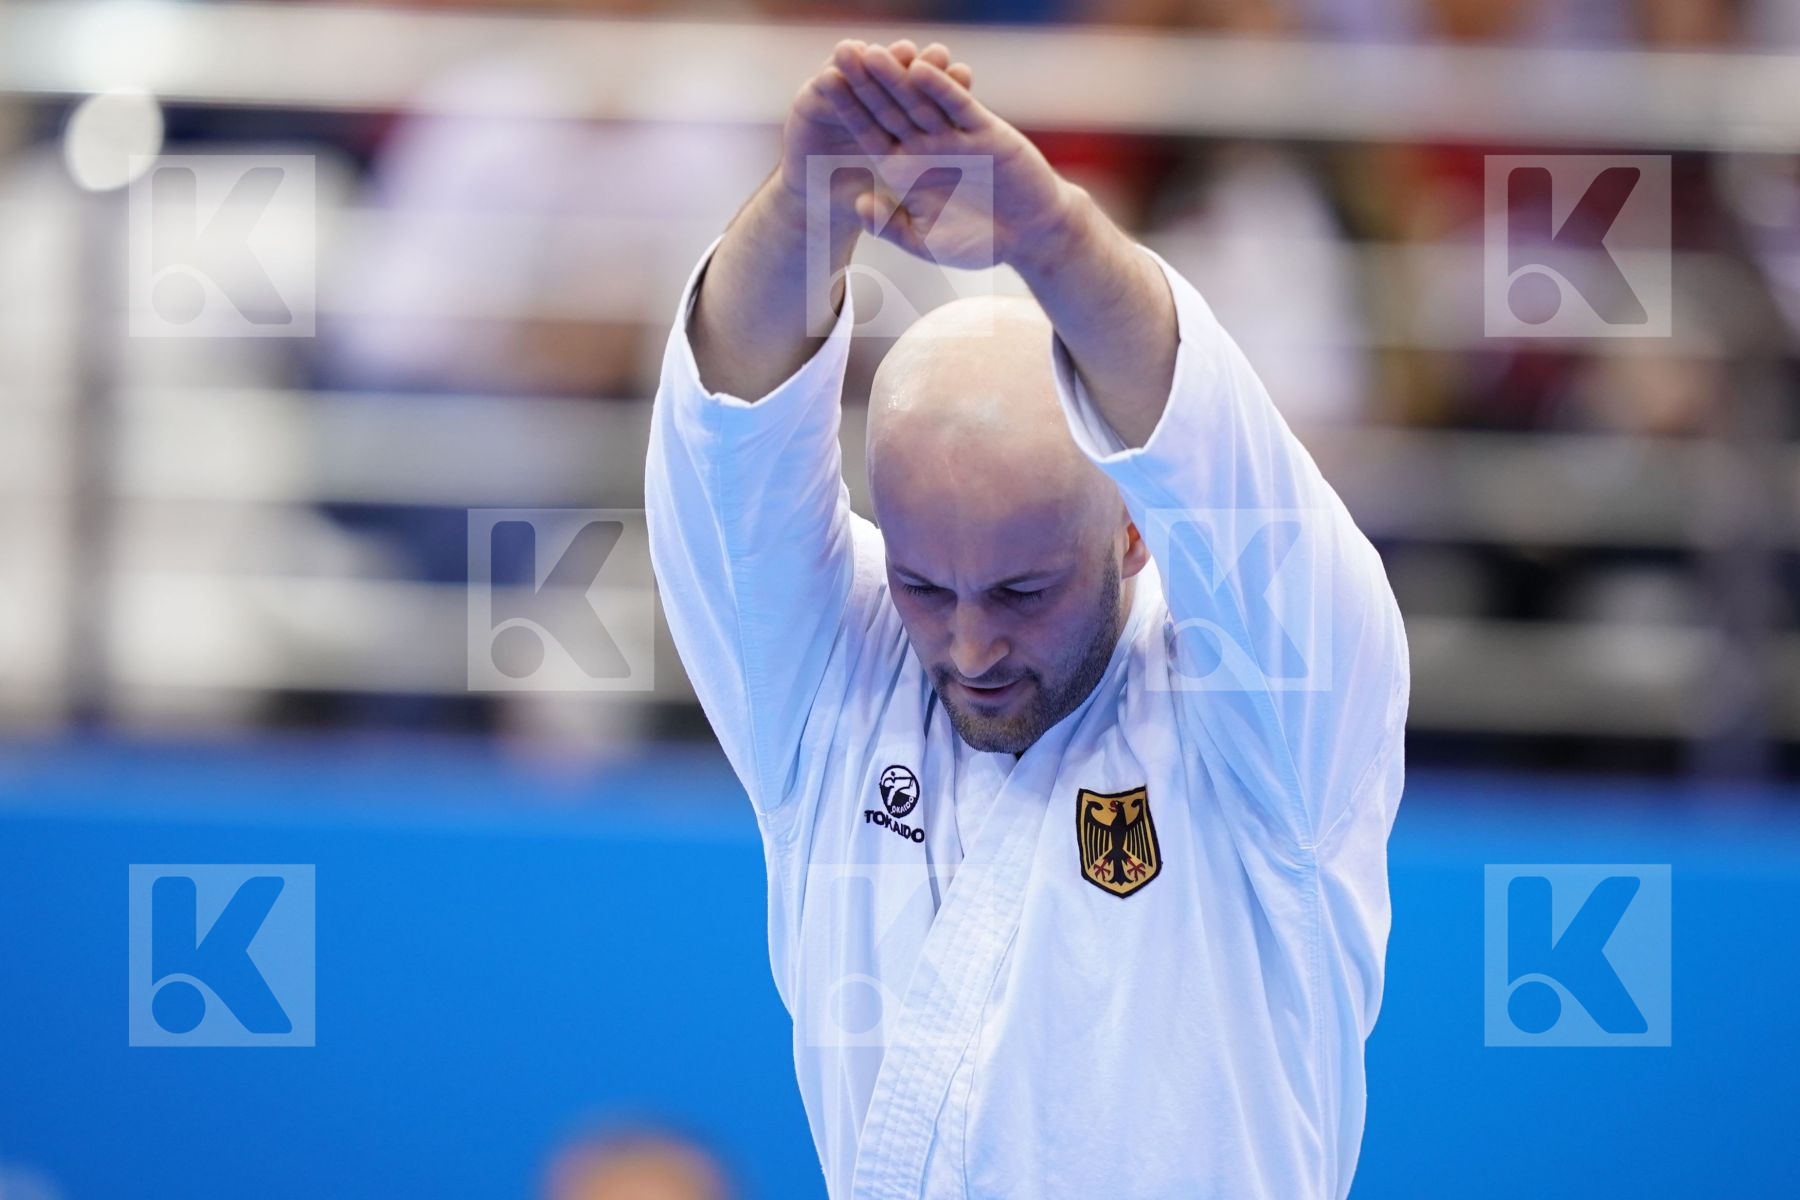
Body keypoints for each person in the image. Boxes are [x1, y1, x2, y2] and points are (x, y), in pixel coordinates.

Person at [644, 38, 1409, 1200]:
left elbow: (1223, 465)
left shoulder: (1275, 717)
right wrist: (808, 200)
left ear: (1135, 528)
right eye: (924, 586)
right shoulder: (840, 685)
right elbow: (729, 436)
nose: (967, 648)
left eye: (1021, 593)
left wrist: (1049, 237)